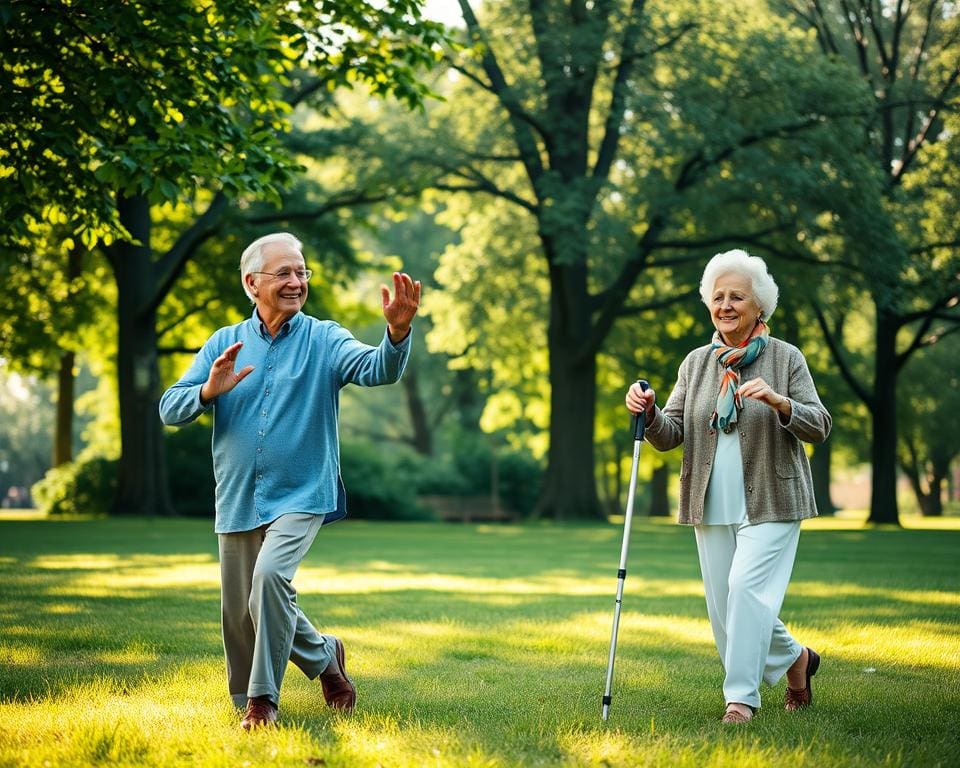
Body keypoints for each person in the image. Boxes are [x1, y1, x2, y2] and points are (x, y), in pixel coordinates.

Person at [159, 232, 420, 730]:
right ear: (251, 282)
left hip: (303, 493)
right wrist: (208, 391)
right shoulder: (223, 341)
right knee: (241, 611)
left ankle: (262, 701)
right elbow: (170, 406)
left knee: (269, 579)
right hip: (236, 495)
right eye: (284, 273)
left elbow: (375, 369)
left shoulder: (324, 338)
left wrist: (397, 336)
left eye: (302, 272)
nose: (297, 282)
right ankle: (326, 659)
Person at [625, 249, 830, 724]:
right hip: (710, 500)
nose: (726, 304)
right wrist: (649, 411)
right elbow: (671, 431)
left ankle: (740, 700)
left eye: (737, 296)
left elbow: (819, 425)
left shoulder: (786, 358)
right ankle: (798, 662)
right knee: (728, 608)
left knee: (745, 591)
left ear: (760, 306)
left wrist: (781, 404)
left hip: (774, 498)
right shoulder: (697, 364)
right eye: (718, 297)